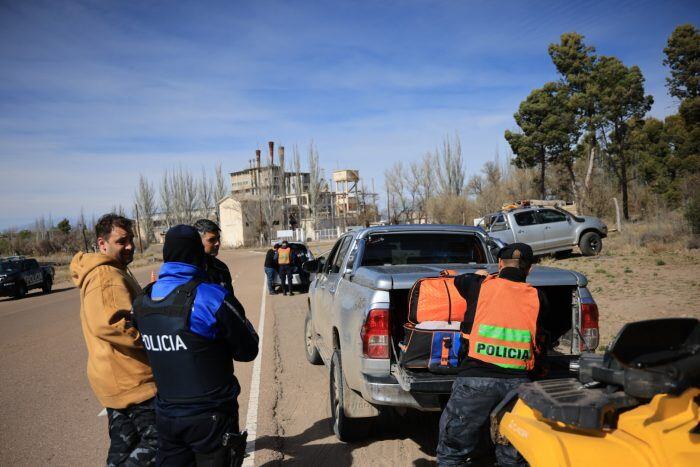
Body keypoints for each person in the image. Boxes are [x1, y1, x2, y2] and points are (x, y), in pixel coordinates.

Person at [132, 225, 259, 466]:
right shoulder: (211, 296)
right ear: (197, 254)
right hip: (210, 418)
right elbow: (248, 349)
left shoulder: (143, 301)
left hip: (167, 416)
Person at [437, 243, 549, 467]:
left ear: (499, 264)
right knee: (513, 457)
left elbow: (460, 280)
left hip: (475, 382)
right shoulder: (539, 298)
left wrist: (482, 275)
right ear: (530, 269)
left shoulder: (478, 285)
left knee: (454, 453)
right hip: (518, 387)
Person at [70, 213, 157, 466]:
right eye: (121, 241)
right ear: (102, 243)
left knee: (124, 445)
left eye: (131, 240)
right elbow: (111, 324)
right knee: (160, 443)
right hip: (131, 378)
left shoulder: (110, 271)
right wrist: (150, 340)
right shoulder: (106, 275)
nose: (129, 246)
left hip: (114, 378)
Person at [193, 218, 234, 295]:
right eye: (211, 240)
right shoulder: (189, 270)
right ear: (197, 241)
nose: (217, 243)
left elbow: (230, 299)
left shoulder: (222, 268)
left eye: (218, 238)